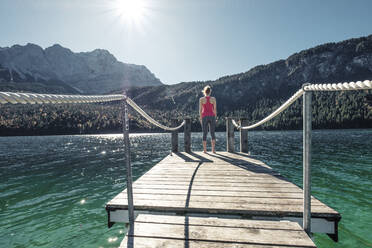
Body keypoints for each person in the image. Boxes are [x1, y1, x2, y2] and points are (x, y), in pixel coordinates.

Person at [199, 85, 217, 153]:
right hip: (212, 116)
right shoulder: (213, 99)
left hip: (204, 117)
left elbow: (200, 110)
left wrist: (200, 119)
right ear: (210, 92)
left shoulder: (201, 99)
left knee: (204, 133)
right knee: (212, 133)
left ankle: (205, 150)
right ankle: (213, 150)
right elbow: (215, 109)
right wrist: (215, 118)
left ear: (204, 91)